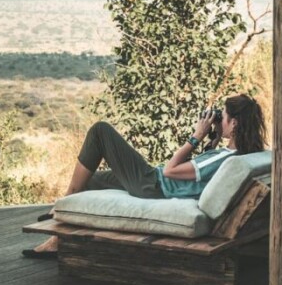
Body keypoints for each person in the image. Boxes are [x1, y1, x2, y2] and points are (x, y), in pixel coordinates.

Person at [23, 94, 266, 258]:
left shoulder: (224, 157)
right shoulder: (239, 155)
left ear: (233, 124)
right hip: (155, 180)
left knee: (100, 131)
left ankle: (57, 228)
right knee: (93, 179)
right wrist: (212, 137)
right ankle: (63, 217)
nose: (216, 121)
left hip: (152, 183)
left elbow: (171, 170)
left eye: (221, 117)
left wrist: (197, 136)